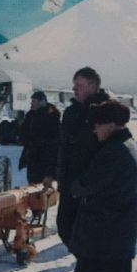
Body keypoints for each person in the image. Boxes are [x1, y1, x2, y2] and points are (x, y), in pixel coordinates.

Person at [51, 100, 137, 272]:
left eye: (98, 125)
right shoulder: (128, 145)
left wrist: (73, 186)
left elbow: (89, 183)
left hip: (106, 222)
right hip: (122, 220)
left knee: (91, 269)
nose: (94, 129)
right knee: (119, 270)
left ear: (111, 124)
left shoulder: (113, 152)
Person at [49, 66, 111, 252]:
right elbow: (62, 147)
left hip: (90, 189)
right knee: (66, 228)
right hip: (69, 186)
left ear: (93, 86)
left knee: (90, 235)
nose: (74, 89)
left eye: (79, 85)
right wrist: (52, 173)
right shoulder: (70, 113)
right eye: (74, 85)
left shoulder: (105, 112)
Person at [18, 90, 60, 185]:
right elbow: (24, 131)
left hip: (45, 158)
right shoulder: (31, 115)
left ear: (41, 102)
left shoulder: (51, 116)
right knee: (32, 182)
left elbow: (55, 139)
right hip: (32, 156)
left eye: (34, 101)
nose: (31, 104)